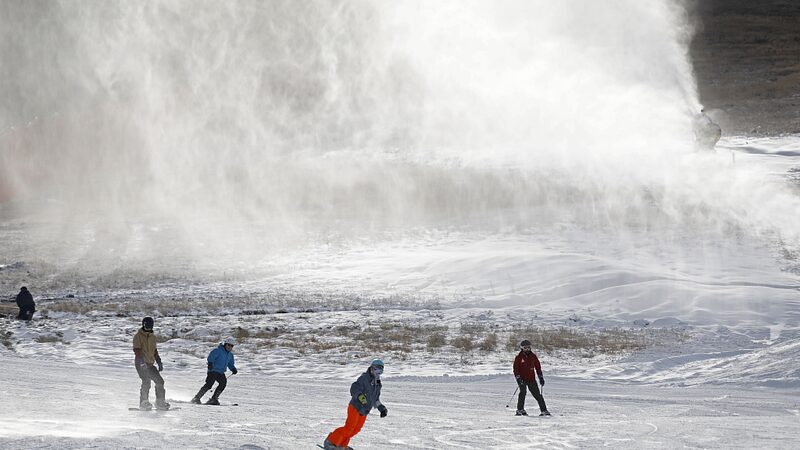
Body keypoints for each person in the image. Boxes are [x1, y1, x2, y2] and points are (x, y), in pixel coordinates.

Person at [323, 359, 388, 450]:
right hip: (356, 406)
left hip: (364, 410)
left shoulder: (378, 384)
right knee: (349, 428)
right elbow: (354, 388)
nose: (378, 372)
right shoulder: (364, 378)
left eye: (381, 370)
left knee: (355, 430)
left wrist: (381, 408)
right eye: (377, 369)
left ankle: (341, 445)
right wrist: (360, 396)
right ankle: (331, 442)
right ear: (372, 368)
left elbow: (375, 399)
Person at [133, 316, 170, 410]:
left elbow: (154, 351)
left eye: (150, 326)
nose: (148, 328)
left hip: (150, 364)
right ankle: (143, 402)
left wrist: (159, 362)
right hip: (140, 364)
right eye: (146, 326)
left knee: (160, 381)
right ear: (143, 325)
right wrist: (141, 362)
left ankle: (160, 401)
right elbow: (137, 351)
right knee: (146, 381)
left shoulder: (153, 337)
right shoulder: (138, 336)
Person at [191, 337, 238, 405]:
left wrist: (233, 369)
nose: (230, 347)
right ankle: (196, 398)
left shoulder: (230, 355)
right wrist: (210, 363)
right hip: (213, 370)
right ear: (225, 344)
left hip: (221, 372)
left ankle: (214, 399)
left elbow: (230, 364)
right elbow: (211, 357)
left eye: (232, 346)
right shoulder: (218, 350)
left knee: (223, 383)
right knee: (209, 384)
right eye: (228, 345)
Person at [513, 339, 549, 416]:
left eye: (528, 347)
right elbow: (516, 369)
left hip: (531, 378)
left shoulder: (533, 356)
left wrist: (540, 377)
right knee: (523, 393)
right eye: (525, 348)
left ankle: (544, 410)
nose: (527, 349)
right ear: (522, 348)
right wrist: (518, 378)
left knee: (537, 395)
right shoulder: (519, 357)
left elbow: (538, 367)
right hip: (522, 379)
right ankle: (520, 410)